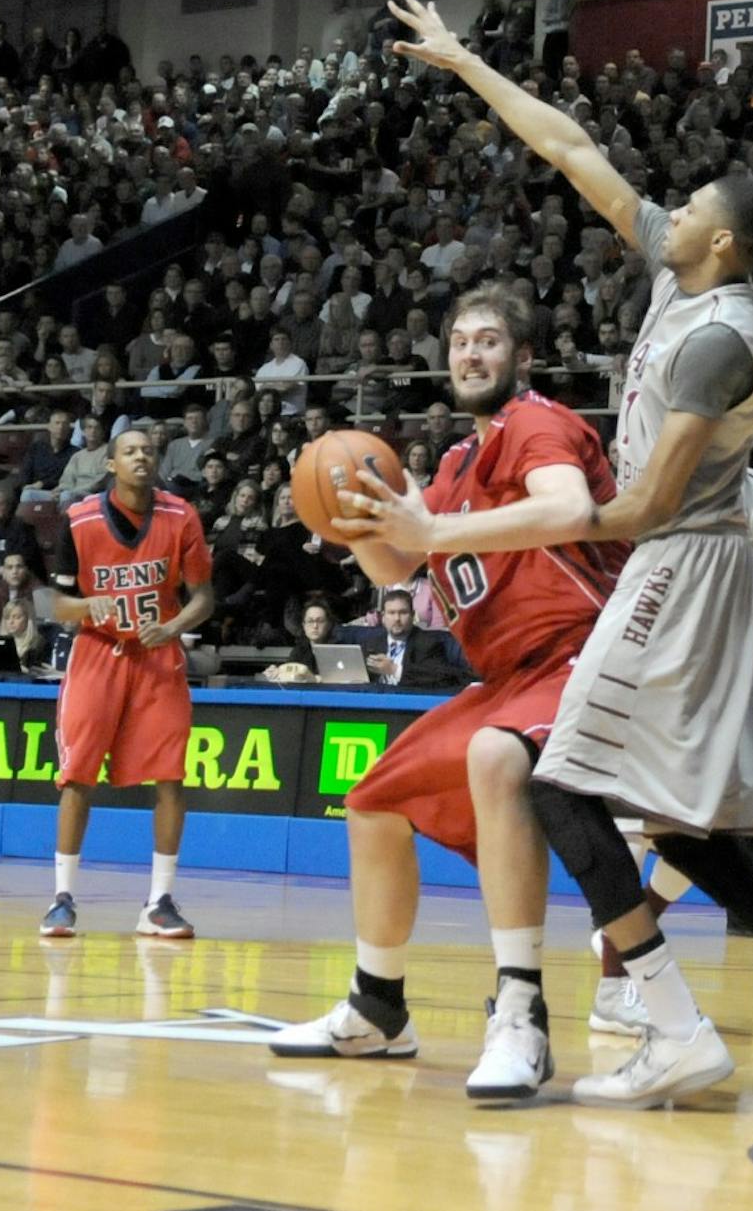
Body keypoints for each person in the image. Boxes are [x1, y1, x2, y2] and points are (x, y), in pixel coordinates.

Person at [366, 0, 753, 1107]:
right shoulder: (681, 267)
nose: (666, 211)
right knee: (689, 830)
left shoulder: (721, 341)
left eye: (691, 207)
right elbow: (573, 147)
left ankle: (664, 1021)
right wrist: (468, 65)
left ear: (722, 241)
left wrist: (441, 532)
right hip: (684, 555)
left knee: (556, 784)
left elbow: (625, 513)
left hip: (684, 566)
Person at [268, 282, 631, 1086]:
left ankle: (522, 1014)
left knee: (497, 759)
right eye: (460, 341)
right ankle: (378, 1007)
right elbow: (402, 563)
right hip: (508, 676)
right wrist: (355, 518)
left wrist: (430, 527)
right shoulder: (461, 461)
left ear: (523, 357)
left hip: (584, 654)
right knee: (372, 800)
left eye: (490, 340)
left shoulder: (535, 423)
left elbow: (567, 509)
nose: (470, 352)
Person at [36, 429, 214, 938]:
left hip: (159, 657)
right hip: (97, 655)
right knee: (76, 776)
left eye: (148, 451)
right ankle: (62, 899)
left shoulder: (182, 515)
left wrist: (174, 627)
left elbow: (203, 595)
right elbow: (57, 604)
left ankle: (159, 902)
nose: (141, 457)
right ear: (111, 464)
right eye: (130, 451)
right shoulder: (80, 518)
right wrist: (88, 606)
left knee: (171, 777)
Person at [361, 589, 468, 688]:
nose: (397, 618)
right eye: (391, 613)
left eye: (403, 613)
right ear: (383, 617)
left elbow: (442, 678)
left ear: (412, 615)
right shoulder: (372, 643)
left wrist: (394, 670)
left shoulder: (428, 643)